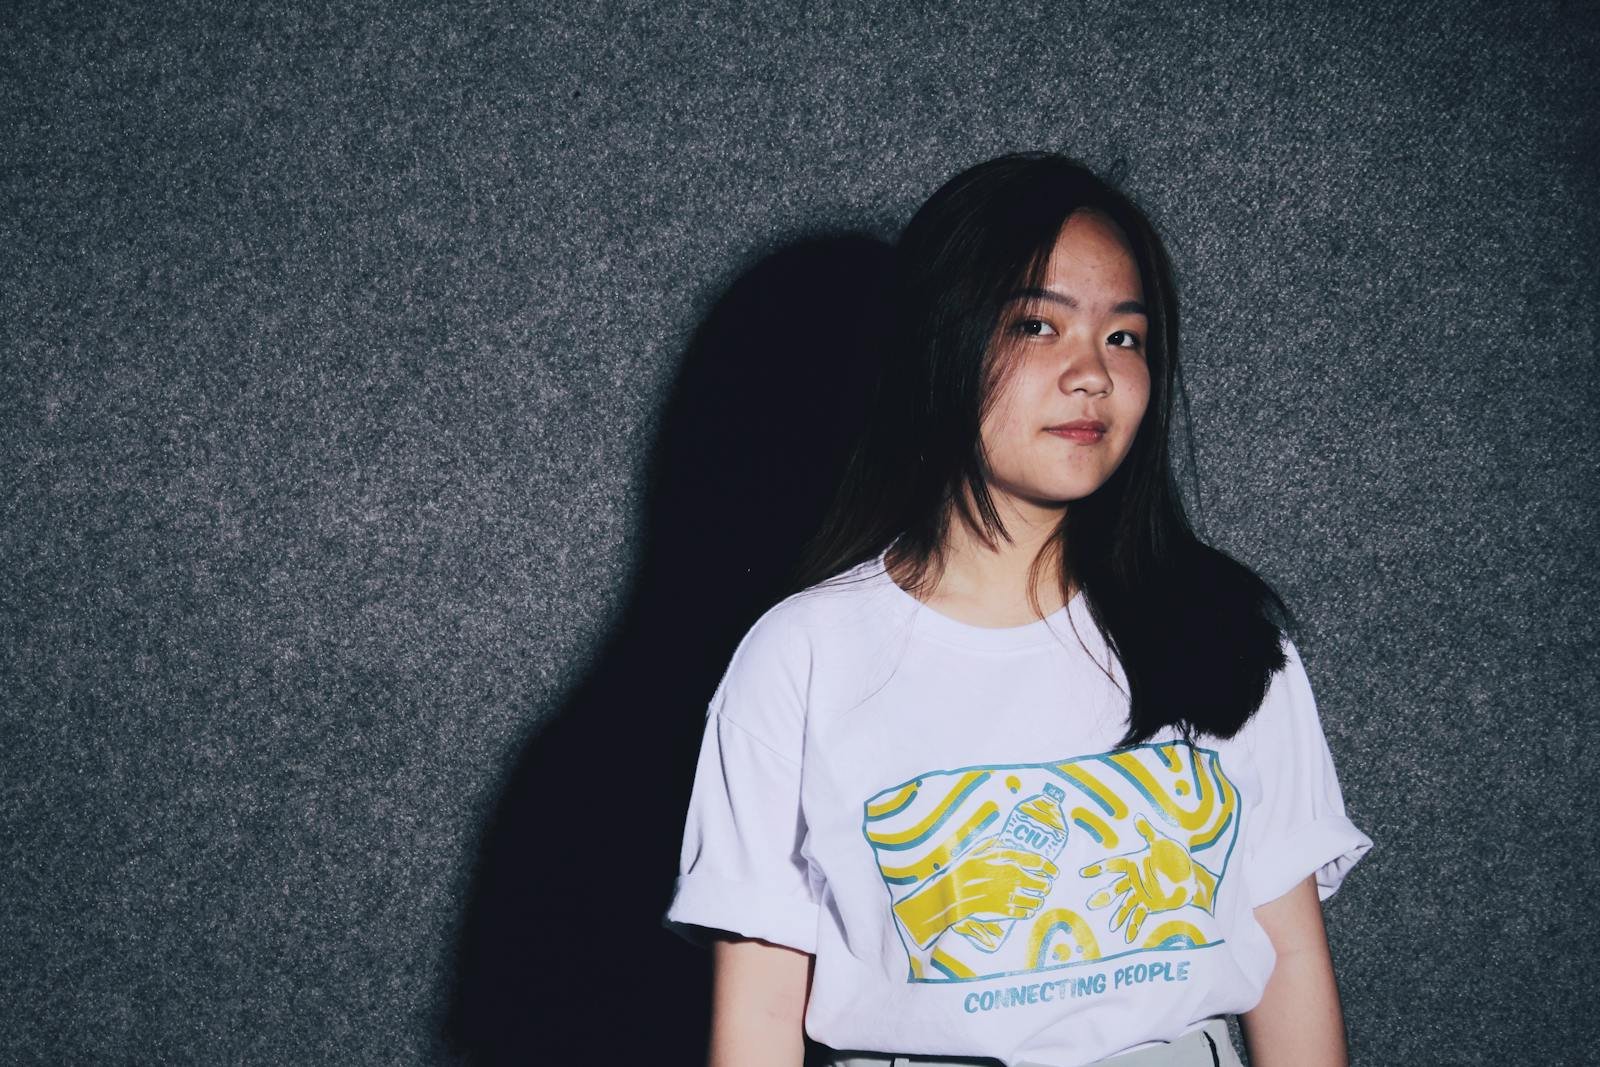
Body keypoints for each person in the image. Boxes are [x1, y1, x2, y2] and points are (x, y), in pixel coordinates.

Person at [662, 153, 1372, 1067]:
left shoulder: (1225, 634)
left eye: (1125, 337)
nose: (1093, 373)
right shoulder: (802, 655)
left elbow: (1291, 964)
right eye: (1039, 325)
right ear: (941, 345)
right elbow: (758, 1019)